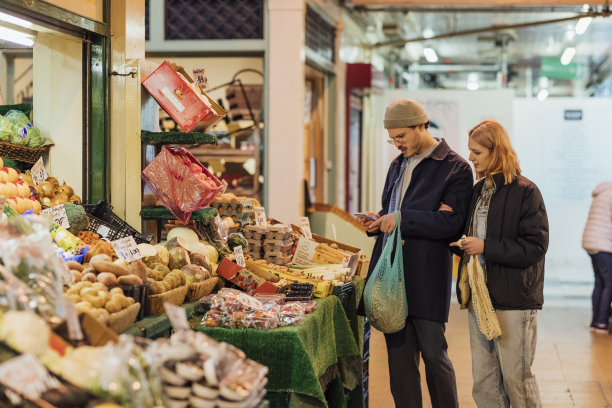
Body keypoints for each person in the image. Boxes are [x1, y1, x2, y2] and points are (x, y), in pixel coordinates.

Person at [357, 98, 473, 408]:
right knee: (399, 360)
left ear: (421, 126)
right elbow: (393, 210)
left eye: (401, 137)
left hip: (426, 275)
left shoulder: (455, 168)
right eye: (392, 138)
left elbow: (450, 223)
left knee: (434, 354)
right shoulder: (398, 165)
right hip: (390, 275)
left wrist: (402, 219)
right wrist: (378, 220)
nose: (396, 144)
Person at [452, 120, 548, 408]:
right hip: (479, 299)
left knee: (516, 381)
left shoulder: (526, 191)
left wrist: (485, 247)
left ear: (496, 152)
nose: (470, 158)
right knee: (484, 383)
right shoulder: (478, 190)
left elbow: (536, 246)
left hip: (514, 301)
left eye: (477, 152)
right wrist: (463, 245)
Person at [582, 182, 612, 334]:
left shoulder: (603, 192)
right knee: (609, 283)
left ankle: (595, 322)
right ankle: (601, 323)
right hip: (603, 244)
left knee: (600, 282)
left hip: (592, 242)